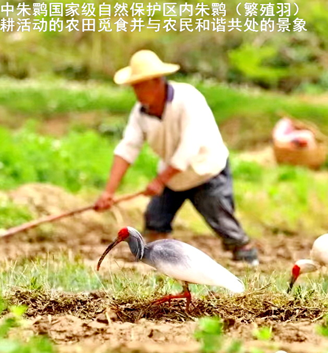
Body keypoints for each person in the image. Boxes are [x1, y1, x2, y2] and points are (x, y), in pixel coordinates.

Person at [94, 49, 259, 266]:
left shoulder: (188, 100)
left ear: (156, 81)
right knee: (155, 220)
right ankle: (160, 261)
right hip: (172, 176)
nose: (136, 91)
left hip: (205, 170)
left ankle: (246, 255)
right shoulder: (140, 112)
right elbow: (128, 148)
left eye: (140, 85)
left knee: (223, 222)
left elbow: (188, 147)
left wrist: (160, 180)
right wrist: (109, 192)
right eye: (134, 86)